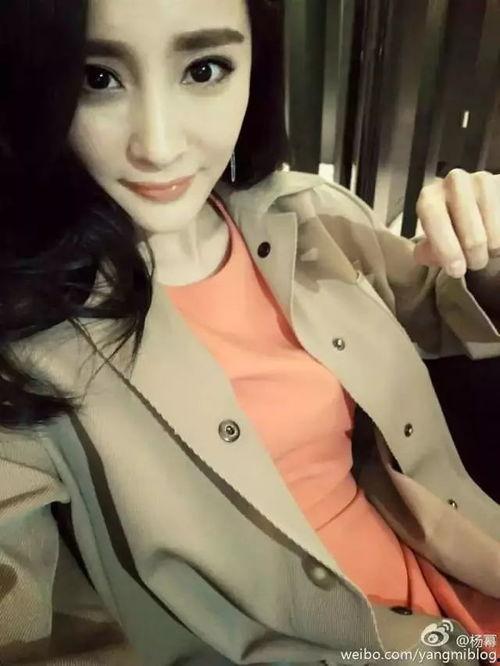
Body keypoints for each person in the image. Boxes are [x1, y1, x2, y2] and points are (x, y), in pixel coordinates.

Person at [0, 0, 499, 664]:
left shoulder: (310, 216)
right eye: (99, 78)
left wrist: (483, 242)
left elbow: (449, 312)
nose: (158, 145)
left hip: (462, 578)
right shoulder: (26, 338)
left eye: (204, 69)